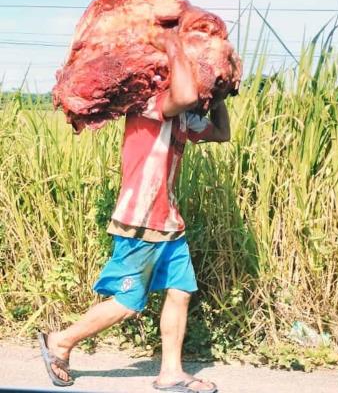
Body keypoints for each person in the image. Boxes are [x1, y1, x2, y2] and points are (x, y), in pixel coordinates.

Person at [38, 28, 230, 393]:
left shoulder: (183, 119)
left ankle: (171, 372)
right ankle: (60, 342)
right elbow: (185, 93)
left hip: (170, 223)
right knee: (128, 303)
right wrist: (173, 41)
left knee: (180, 291)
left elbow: (221, 134)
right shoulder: (147, 102)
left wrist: (219, 92)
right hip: (140, 220)